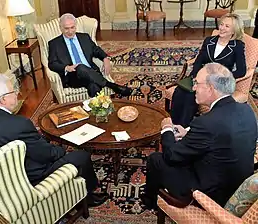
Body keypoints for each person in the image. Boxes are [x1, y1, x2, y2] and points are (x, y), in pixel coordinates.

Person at [0, 74, 108, 207]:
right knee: (81, 156)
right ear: (3, 99)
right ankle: (88, 195)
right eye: (13, 91)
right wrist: (62, 149)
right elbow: (47, 154)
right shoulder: (18, 125)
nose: (17, 93)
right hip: (28, 177)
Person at [143, 63, 257, 209]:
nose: (194, 87)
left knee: (156, 159)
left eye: (197, 83)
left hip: (210, 194)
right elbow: (222, 134)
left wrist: (166, 128)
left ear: (210, 89)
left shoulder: (206, 123)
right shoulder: (246, 109)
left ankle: (150, 201)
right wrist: (188, 132)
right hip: (235, 181)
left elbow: (172, 156)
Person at [171, 13, 246, 127]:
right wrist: (195, 76)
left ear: (234, 31)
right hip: (202, 76)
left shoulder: (238, 46)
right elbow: (198, 61)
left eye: (227, 26)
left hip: (219, 82)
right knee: (180, 91)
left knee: (192, 95)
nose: (222, 28)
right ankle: (174, 124)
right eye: (221, 24)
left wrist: (221, 78)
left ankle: (184, 128)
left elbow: (242, 71)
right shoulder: (209, 41)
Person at [48, 13, 132, 97]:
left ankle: (96, 107)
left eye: (72, 27)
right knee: (80, 67)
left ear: (76, 26)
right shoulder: (54, 43)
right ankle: (112, 86)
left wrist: (105, 58)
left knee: (93, 86)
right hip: (73, 76)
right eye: (66, 28)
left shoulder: (84, 37)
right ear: (61, 28)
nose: (70, 31)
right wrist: (66, 68)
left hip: (91, 72)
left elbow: (96, 50)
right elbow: (52, 64)